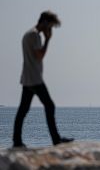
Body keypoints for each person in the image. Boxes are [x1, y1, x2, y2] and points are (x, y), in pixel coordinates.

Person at [13, 11, 74, 148]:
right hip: (35, 78)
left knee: (23, 110)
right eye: (50, 26)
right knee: (49, 105)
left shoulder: (28, 34)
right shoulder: (35, 35)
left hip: (27, 77)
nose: (50, 30)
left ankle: (16, 141)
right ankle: (56, 140)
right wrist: (47, 40)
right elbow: (39, 56)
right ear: (45, 22)